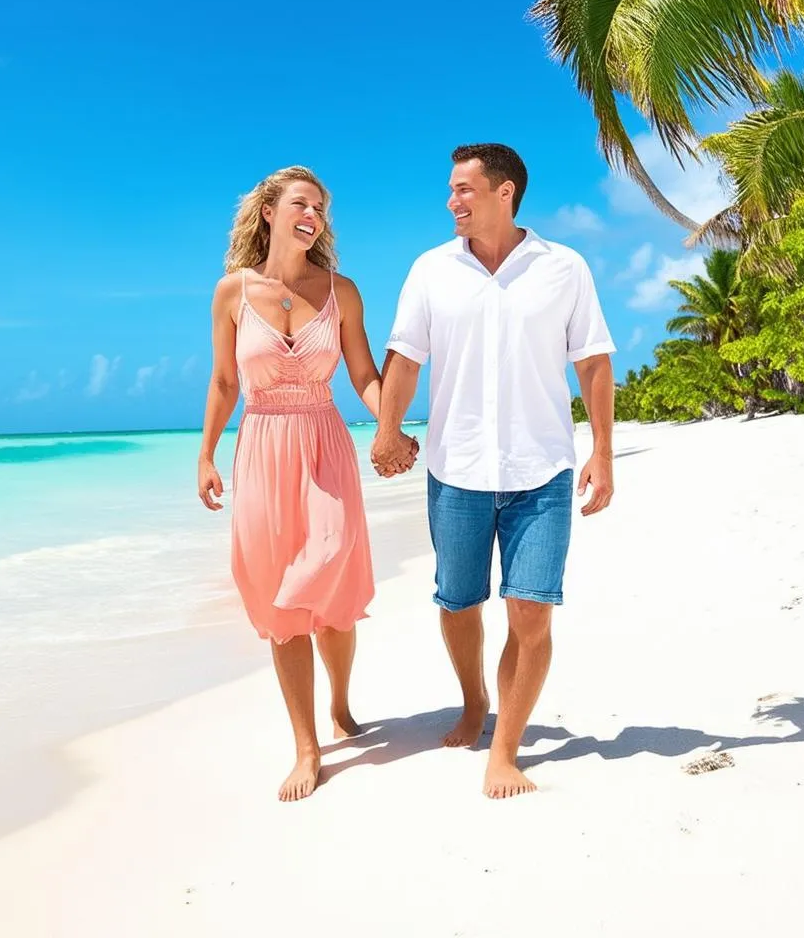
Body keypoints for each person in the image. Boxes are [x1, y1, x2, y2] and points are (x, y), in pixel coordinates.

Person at [371, 143, 615, 799]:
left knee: (531, 615)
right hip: (455, 470)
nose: (452, 201)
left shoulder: (563, 268)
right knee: (458, 602)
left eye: (464, 190)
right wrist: (388, 431)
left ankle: (504, 750)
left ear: (504, 192)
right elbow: (405, 358)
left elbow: (592, 361)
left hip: (543, 472)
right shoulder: (430, 270)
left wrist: (603, 452)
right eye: (451, 191)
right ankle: (474, 700)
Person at [197, 166, 418, 802]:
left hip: (324, 443)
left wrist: (391, 429)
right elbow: (223, 383)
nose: (313, 215)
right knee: (283, 600)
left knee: (328, 577)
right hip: (262, 447)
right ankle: (307, 744)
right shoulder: (231, 293)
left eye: (320, 207)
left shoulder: (341, 291)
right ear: (268, 212)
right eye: (302, 203)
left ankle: (342, 704)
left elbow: (363, 373)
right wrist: (206, 456)